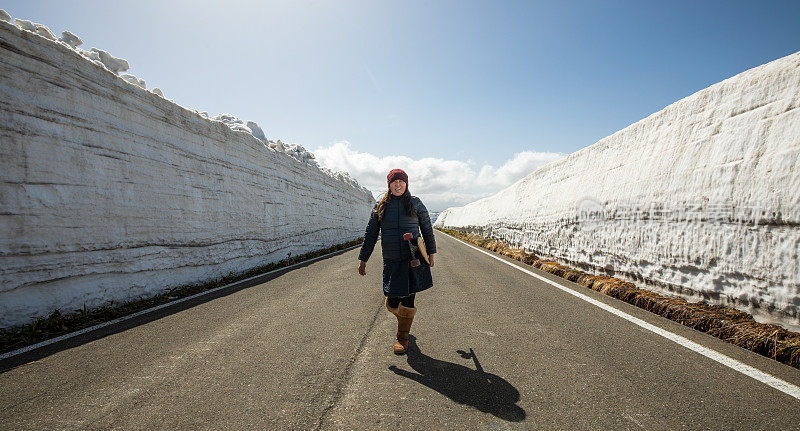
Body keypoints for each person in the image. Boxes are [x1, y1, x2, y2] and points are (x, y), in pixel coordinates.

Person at [358, 169, 437, 355]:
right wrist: (363, 259)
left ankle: (402, 337)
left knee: (409, 300)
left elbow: (427, 228)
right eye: (395, 182)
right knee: (392, 302)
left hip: (413, 258)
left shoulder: (415, 203)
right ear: (389, 184)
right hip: (392, 260)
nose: (398, 185)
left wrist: (431, 253)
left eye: (402, 181)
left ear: (406, 184)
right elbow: (370, 235)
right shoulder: (381, 206)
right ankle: (402, 318)